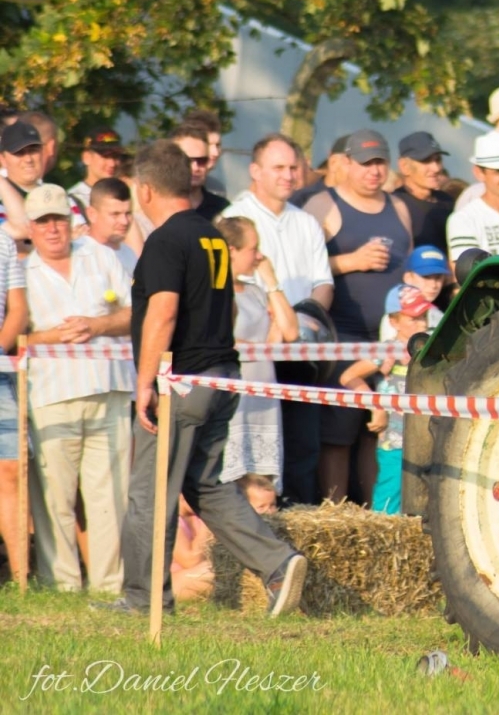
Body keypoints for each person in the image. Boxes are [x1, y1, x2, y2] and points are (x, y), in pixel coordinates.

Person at [103, 141, 306, 617]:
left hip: (183, 382)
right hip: (222, 376)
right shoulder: (213, 237)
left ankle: (142, 599)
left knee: (150, 491)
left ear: (146, 189)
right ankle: (278, 563)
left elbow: (163, 312)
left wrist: (145, 383)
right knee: (206, 485)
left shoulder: (166, 240)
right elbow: (228, 307)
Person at [22, 184, 134, 593]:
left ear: (72, 222)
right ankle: (61, 586)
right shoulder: (23, 272)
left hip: (110, 388)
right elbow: (17, 339)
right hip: (51, 396)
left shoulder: (101, 256)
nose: (53, 229)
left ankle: (110, 586)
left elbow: (134, 311)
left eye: (59, 220)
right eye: (43, 222)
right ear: (31, 228)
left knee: (111, 498)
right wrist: (52, 336)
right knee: (55, 499)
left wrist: (96, 324)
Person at [222, 133, 335, 506]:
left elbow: (322, 283)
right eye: (278, 168)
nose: (288, 175)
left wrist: (305, 318)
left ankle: (298, 525)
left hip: (300, 349)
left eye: (293, 167)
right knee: (247, 458)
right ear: (255, 170)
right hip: (251, 358)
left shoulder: (306, 222)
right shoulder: (235, 220)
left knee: (303, 448)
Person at [302, 130, 411, 506]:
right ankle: (335, 511)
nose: (374, 171)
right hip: (342, 336)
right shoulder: (323, 206)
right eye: (366, 164)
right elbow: (303, 269)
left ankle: (374, 513)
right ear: (344, 164)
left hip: (389, 340)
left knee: (378, 433)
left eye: (380, 162)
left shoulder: (398, 207)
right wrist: (352, 261)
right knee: (339, 432)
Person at [215, 217, 300, 497]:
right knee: (233, 480)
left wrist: (271, 281)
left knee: (262, 484)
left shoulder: (254, 291)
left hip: (263, 398)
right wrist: (256, 347)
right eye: (254, 248)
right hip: (233, 399)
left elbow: (289, 332)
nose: (259, 255)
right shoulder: (214, 292)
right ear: (231, 251)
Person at [348, 284, 430, 515]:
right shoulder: (387, 350)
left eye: (423, 316)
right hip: (394, 440)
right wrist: (377, 406)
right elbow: (349, 377)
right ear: (394, 322)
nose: (422, 324)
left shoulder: (432, 348)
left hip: (426, 438)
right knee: (389, 497)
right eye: (413, 319)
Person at [0, 229, 26, 581]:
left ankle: (22, 583)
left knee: (11, 471)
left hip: (0, 372)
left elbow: (17, 310)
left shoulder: (4, 240)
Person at [393, 131, 455, 255]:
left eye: (438, 160)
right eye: (426, 161)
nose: (436, 168)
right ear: (404, 166)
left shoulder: (448, 202)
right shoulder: (394, 205)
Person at [379, 247, 448, 341]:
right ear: (408, 278)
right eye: (426, 277)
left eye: (438, 278)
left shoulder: (439, 315)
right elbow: (391, 351)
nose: (433, 285)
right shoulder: (395, 317)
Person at [171, 125, 230, 221]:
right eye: (188, 160)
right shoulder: (157, 205)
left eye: (202, 160)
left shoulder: (223, 210)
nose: (195, 168)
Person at [67, 128, 128, 215]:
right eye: (105, 156)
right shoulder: (72, 200)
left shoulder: (126, 196)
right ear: (86, 157)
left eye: (116, 156)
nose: (112, 164)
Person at [85, 178, 137, 275]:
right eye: (115, 214)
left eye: (128, 213)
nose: (124, 221)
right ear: (92, 214)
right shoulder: (80, 256)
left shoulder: (130, 254)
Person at [289, 134, 349, 209]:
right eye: (349, 162)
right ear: (333, 161)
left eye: (294, 168)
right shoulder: (300, 199)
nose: (288, 176)